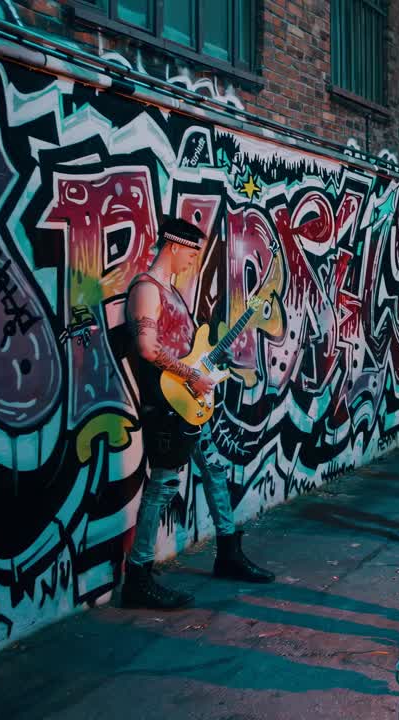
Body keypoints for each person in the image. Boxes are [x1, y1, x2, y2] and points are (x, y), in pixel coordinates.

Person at [121, 217, 274, 610]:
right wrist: (193, 375)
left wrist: (201, 372)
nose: (191, 261)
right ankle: (138, 577)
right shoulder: (146, 289)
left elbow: (180, 347)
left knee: (215, 470)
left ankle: (228, 552)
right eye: (190, 253)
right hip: (167, 408)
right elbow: (147, 347)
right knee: (163, 486)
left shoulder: (170, 292)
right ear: (173, 247)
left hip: (189, 405)